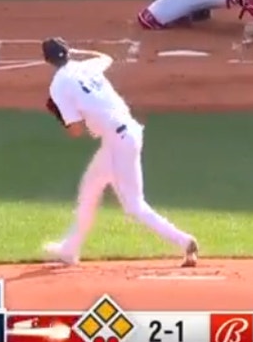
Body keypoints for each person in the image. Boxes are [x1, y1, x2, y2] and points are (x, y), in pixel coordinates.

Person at [41, 37, 199, 268]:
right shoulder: (86, 66)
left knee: (134, 206)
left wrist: (62, 119)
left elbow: (76, 131)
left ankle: (184, 241)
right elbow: (106, 58)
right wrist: (78, 50)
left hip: (118, 141)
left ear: (48, 60)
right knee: (90, 187)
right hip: (126, 133)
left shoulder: (58, 86)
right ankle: (70, 249)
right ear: (68, 51)